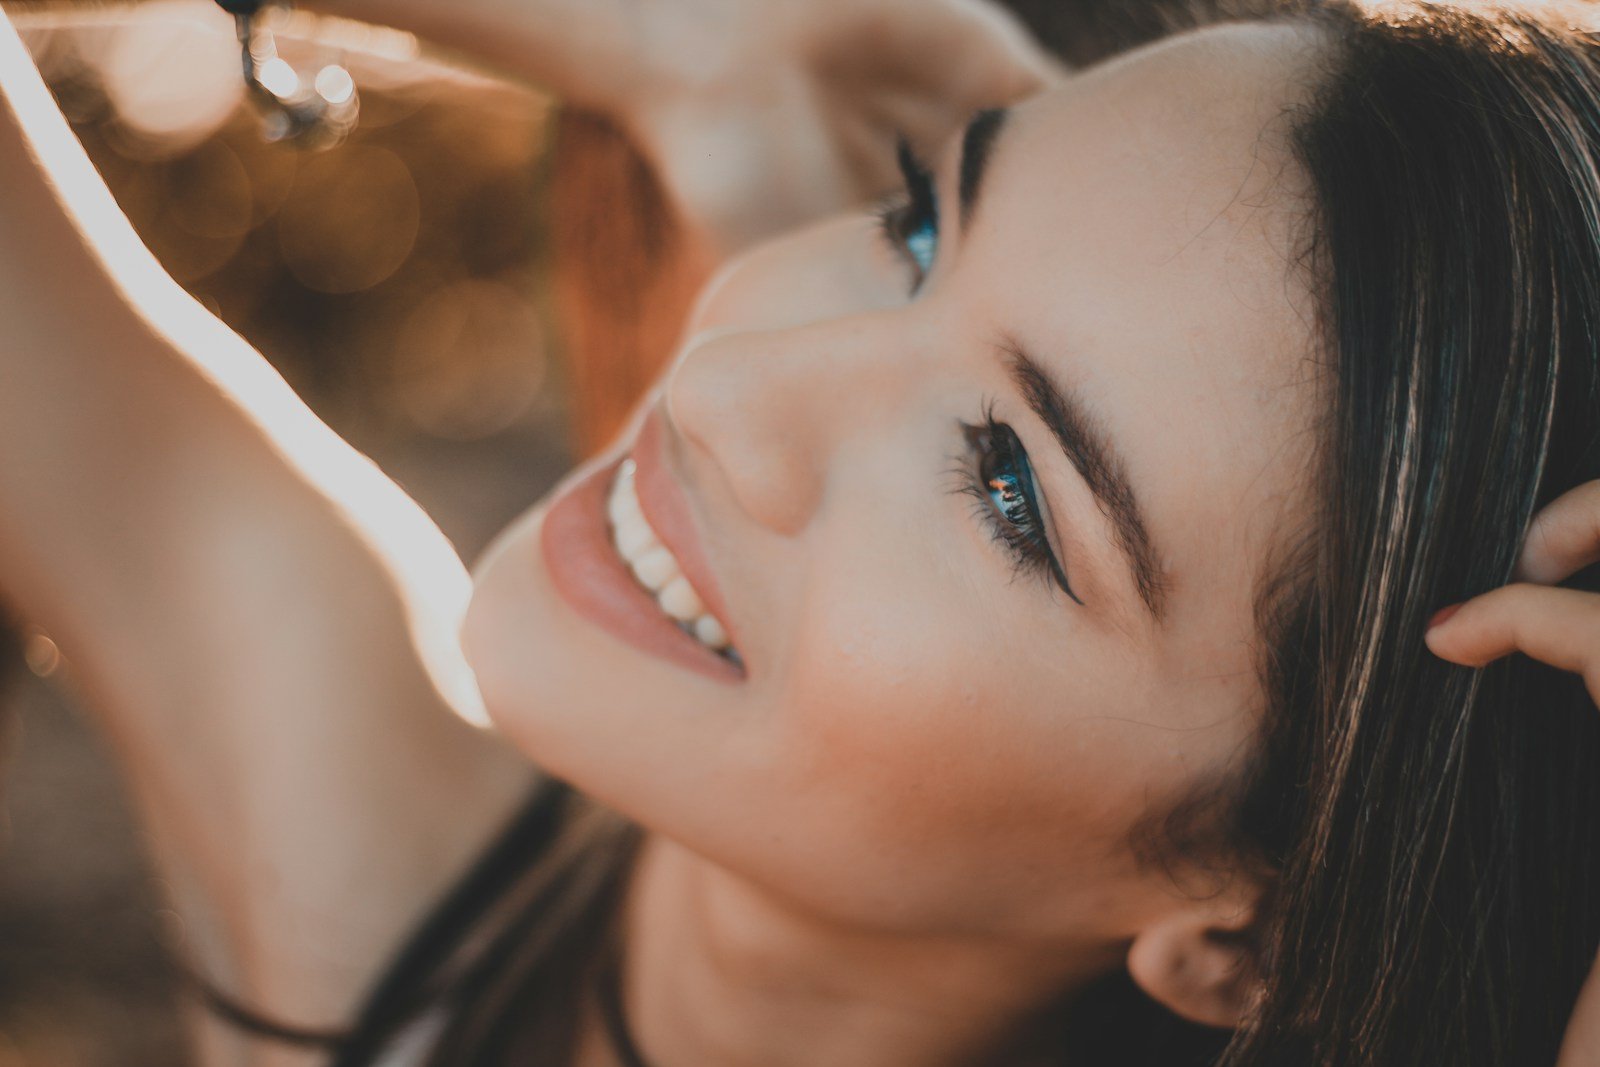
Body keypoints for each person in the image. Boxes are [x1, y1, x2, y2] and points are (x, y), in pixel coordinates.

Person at [0, 1, 1596, 1066]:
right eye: (919, 225)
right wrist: (684, 38)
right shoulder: (371, 871)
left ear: (1245, 942)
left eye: (1011, 486)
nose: (729, 384)